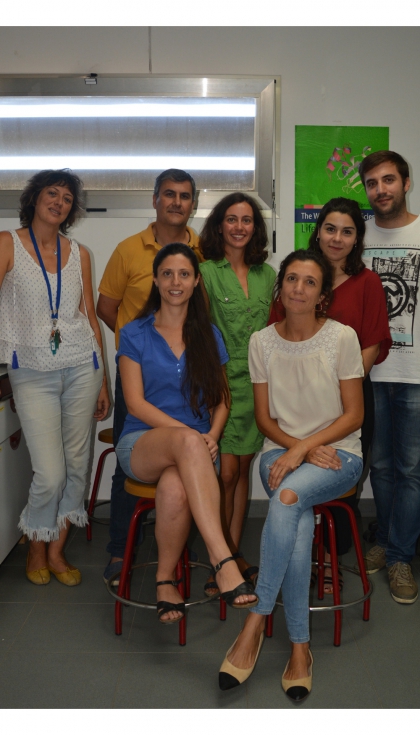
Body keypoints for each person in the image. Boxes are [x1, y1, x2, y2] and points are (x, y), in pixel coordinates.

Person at [218, 249, 364, 701]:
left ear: (323, 295)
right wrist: (293, 448)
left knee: (287, 501)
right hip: (277, 455)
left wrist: (305, 447)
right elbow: (265, 420)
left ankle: (255, 622)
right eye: (292, 279)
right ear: (280, 286)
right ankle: (300, 648)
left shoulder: (343, 337)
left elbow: (354, 415)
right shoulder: (262, 342)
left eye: (310, 282)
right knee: (294, 513)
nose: (299, 288)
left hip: (338, 457)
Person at [115, 242, 258, 622]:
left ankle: (164, 581)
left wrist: (211, 434)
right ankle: (221, 558)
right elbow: (135, 405)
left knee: (176, 486)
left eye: (183, 274)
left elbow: (223, 399)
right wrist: (194, 437)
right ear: (156, 281)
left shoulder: (208, 335)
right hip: (142, 443)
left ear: (196, 281)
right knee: (184, 443)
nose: (175, 281)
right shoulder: (134, 333)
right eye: (167, 273)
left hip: (194, 455)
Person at [269, 197, 391, 592]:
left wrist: (342, 389)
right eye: (330, 228)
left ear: (357, 239)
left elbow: (371, 343)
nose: (337, 238)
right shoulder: (297, 278)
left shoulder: (367, 282)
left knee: (340, 483)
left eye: (348, 231)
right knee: (302, 483)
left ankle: (328, 558)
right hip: (299, 405)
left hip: (350, 403)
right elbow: (277, 338)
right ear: (317, 230)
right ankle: (302, 558)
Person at [0, 169, 110, 586]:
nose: (59, 202)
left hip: (83, 365)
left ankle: (57, 550)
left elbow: (88, 318)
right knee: (50, 471)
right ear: (34, 198)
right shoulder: (7, 243)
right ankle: (35, 542)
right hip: (30, 369)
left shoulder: (78, 252)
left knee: (77, 465)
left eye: (67, 197)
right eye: (52, 193)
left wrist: (104, 380)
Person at [97, 169, 202, 585]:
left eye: (185, 196)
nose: (177, 202)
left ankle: (184, 554)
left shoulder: (203, 251)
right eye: (169, 195)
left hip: (185, 378)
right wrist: (138, 351)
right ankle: (120, 552)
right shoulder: (128, 249)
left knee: (188, 464)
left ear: (194, 202)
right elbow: (108, 307)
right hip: (138, 378)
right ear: (155, 199)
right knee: (128, 471)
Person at [199, 193, 276, 596]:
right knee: (224, 474)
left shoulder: (268, 274)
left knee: (242, 472)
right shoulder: (205, 271)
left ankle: (231, 552)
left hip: (259, 386)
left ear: (255, 228)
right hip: (222, 385)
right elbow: (201, 332)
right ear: (219, 225)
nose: (240, 227)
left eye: (247, 220)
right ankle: (223, 558)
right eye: (232, 219)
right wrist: (215, 382)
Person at [358, 150, 420, 604]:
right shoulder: (358, 238)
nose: (381, 190)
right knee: (378, 466)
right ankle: (385, 539)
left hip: (417, 373)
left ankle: (400, 555)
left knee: (411, 468)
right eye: (372, 183)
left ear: (406, 183)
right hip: (373, 373)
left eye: (388, 180)